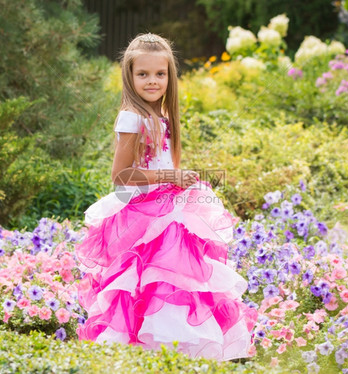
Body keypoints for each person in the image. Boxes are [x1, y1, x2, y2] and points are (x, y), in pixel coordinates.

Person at [75, 33, 256, 361]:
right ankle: (151, 347)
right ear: (129, 76)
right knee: (150, 278)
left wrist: (179, 180)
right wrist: (170, 176)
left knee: (177, 279)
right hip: (145, 211)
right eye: (142, 74)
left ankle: (181, 348)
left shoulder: (163, 115)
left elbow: (159, 163)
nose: (152, 81)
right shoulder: (133, 117)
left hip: (168, 204)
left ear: (170, 76)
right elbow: (121, 176)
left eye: (160, 74)